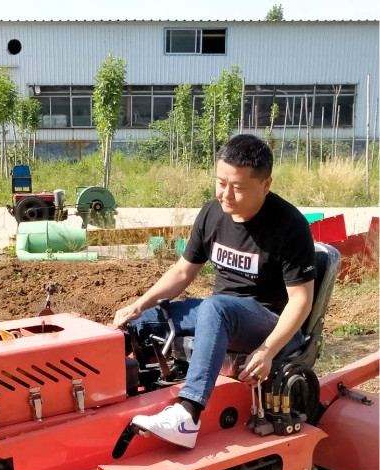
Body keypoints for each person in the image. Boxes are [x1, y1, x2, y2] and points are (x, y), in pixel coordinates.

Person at [113, 134, 316, 449]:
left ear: (266, 185)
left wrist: (267, 350)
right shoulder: (211, 213)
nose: (226, 194)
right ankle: (101, 396)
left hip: (268, 322)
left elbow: (301, 301)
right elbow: (183, 271)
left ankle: (187, 414)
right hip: (219, 313)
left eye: (237, 187)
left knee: (214, 307)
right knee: (140, 322)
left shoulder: (290, 227)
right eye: (221, 182)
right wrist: (137, 306)